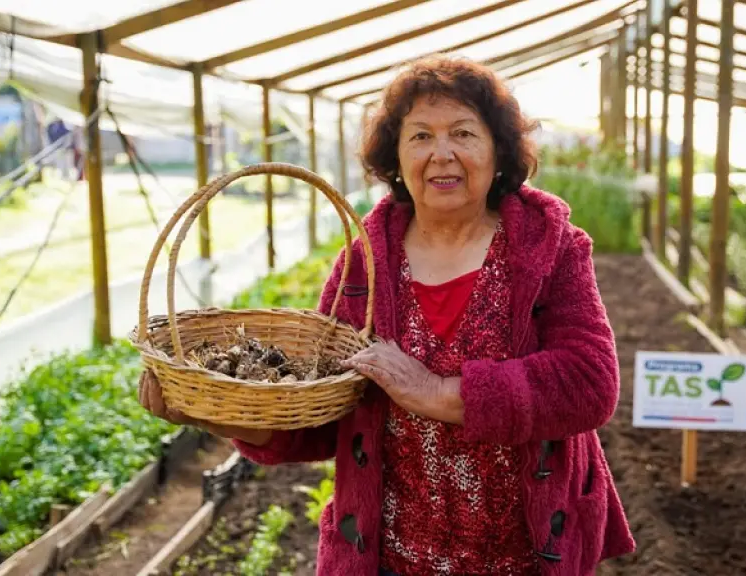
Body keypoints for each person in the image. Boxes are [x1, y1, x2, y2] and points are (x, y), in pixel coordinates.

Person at [138, 54, 635, 575]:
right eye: (420, 136)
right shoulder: (363, 268)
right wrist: (221, 414)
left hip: (526, 556)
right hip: (391, 559)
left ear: (498, 153)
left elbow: (589, 383)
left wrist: (438, 393)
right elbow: (320, 415)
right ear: (395, 158)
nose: (442, 154)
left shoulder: (548, 249)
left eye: (463, 134)